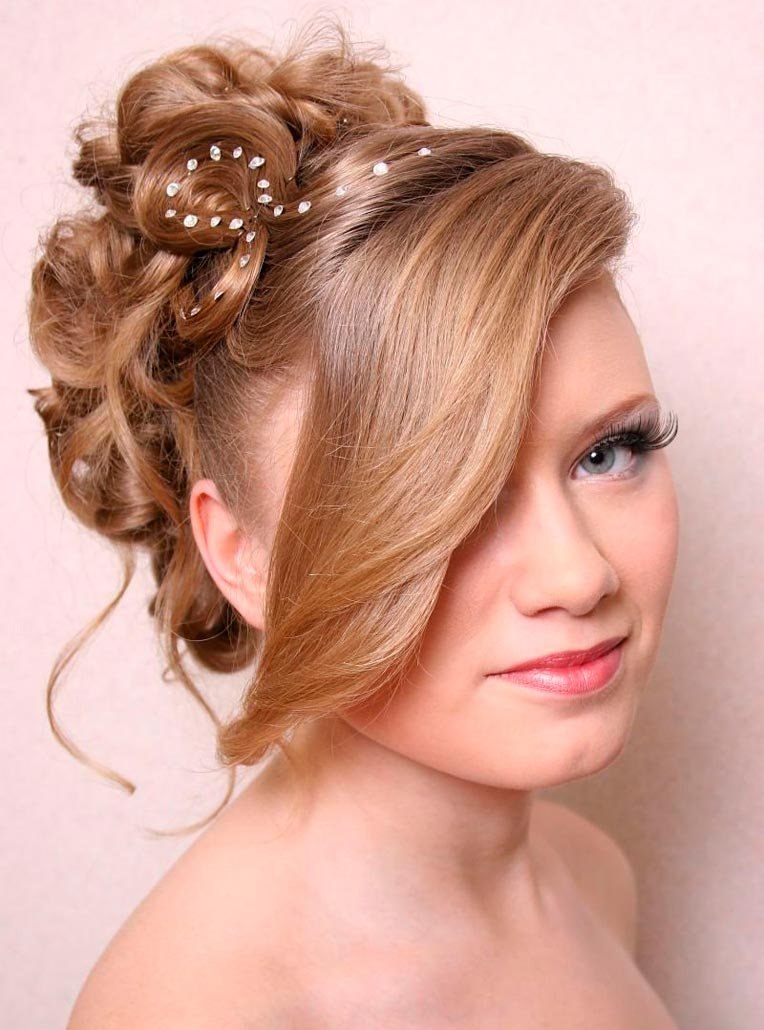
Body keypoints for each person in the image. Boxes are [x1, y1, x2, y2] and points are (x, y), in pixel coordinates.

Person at [27, 15, 681, 1028]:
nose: (578, 574)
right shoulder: (204, 1013)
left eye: (608, 453)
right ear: (242, 554)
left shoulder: (593, 878)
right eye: (451, 491)